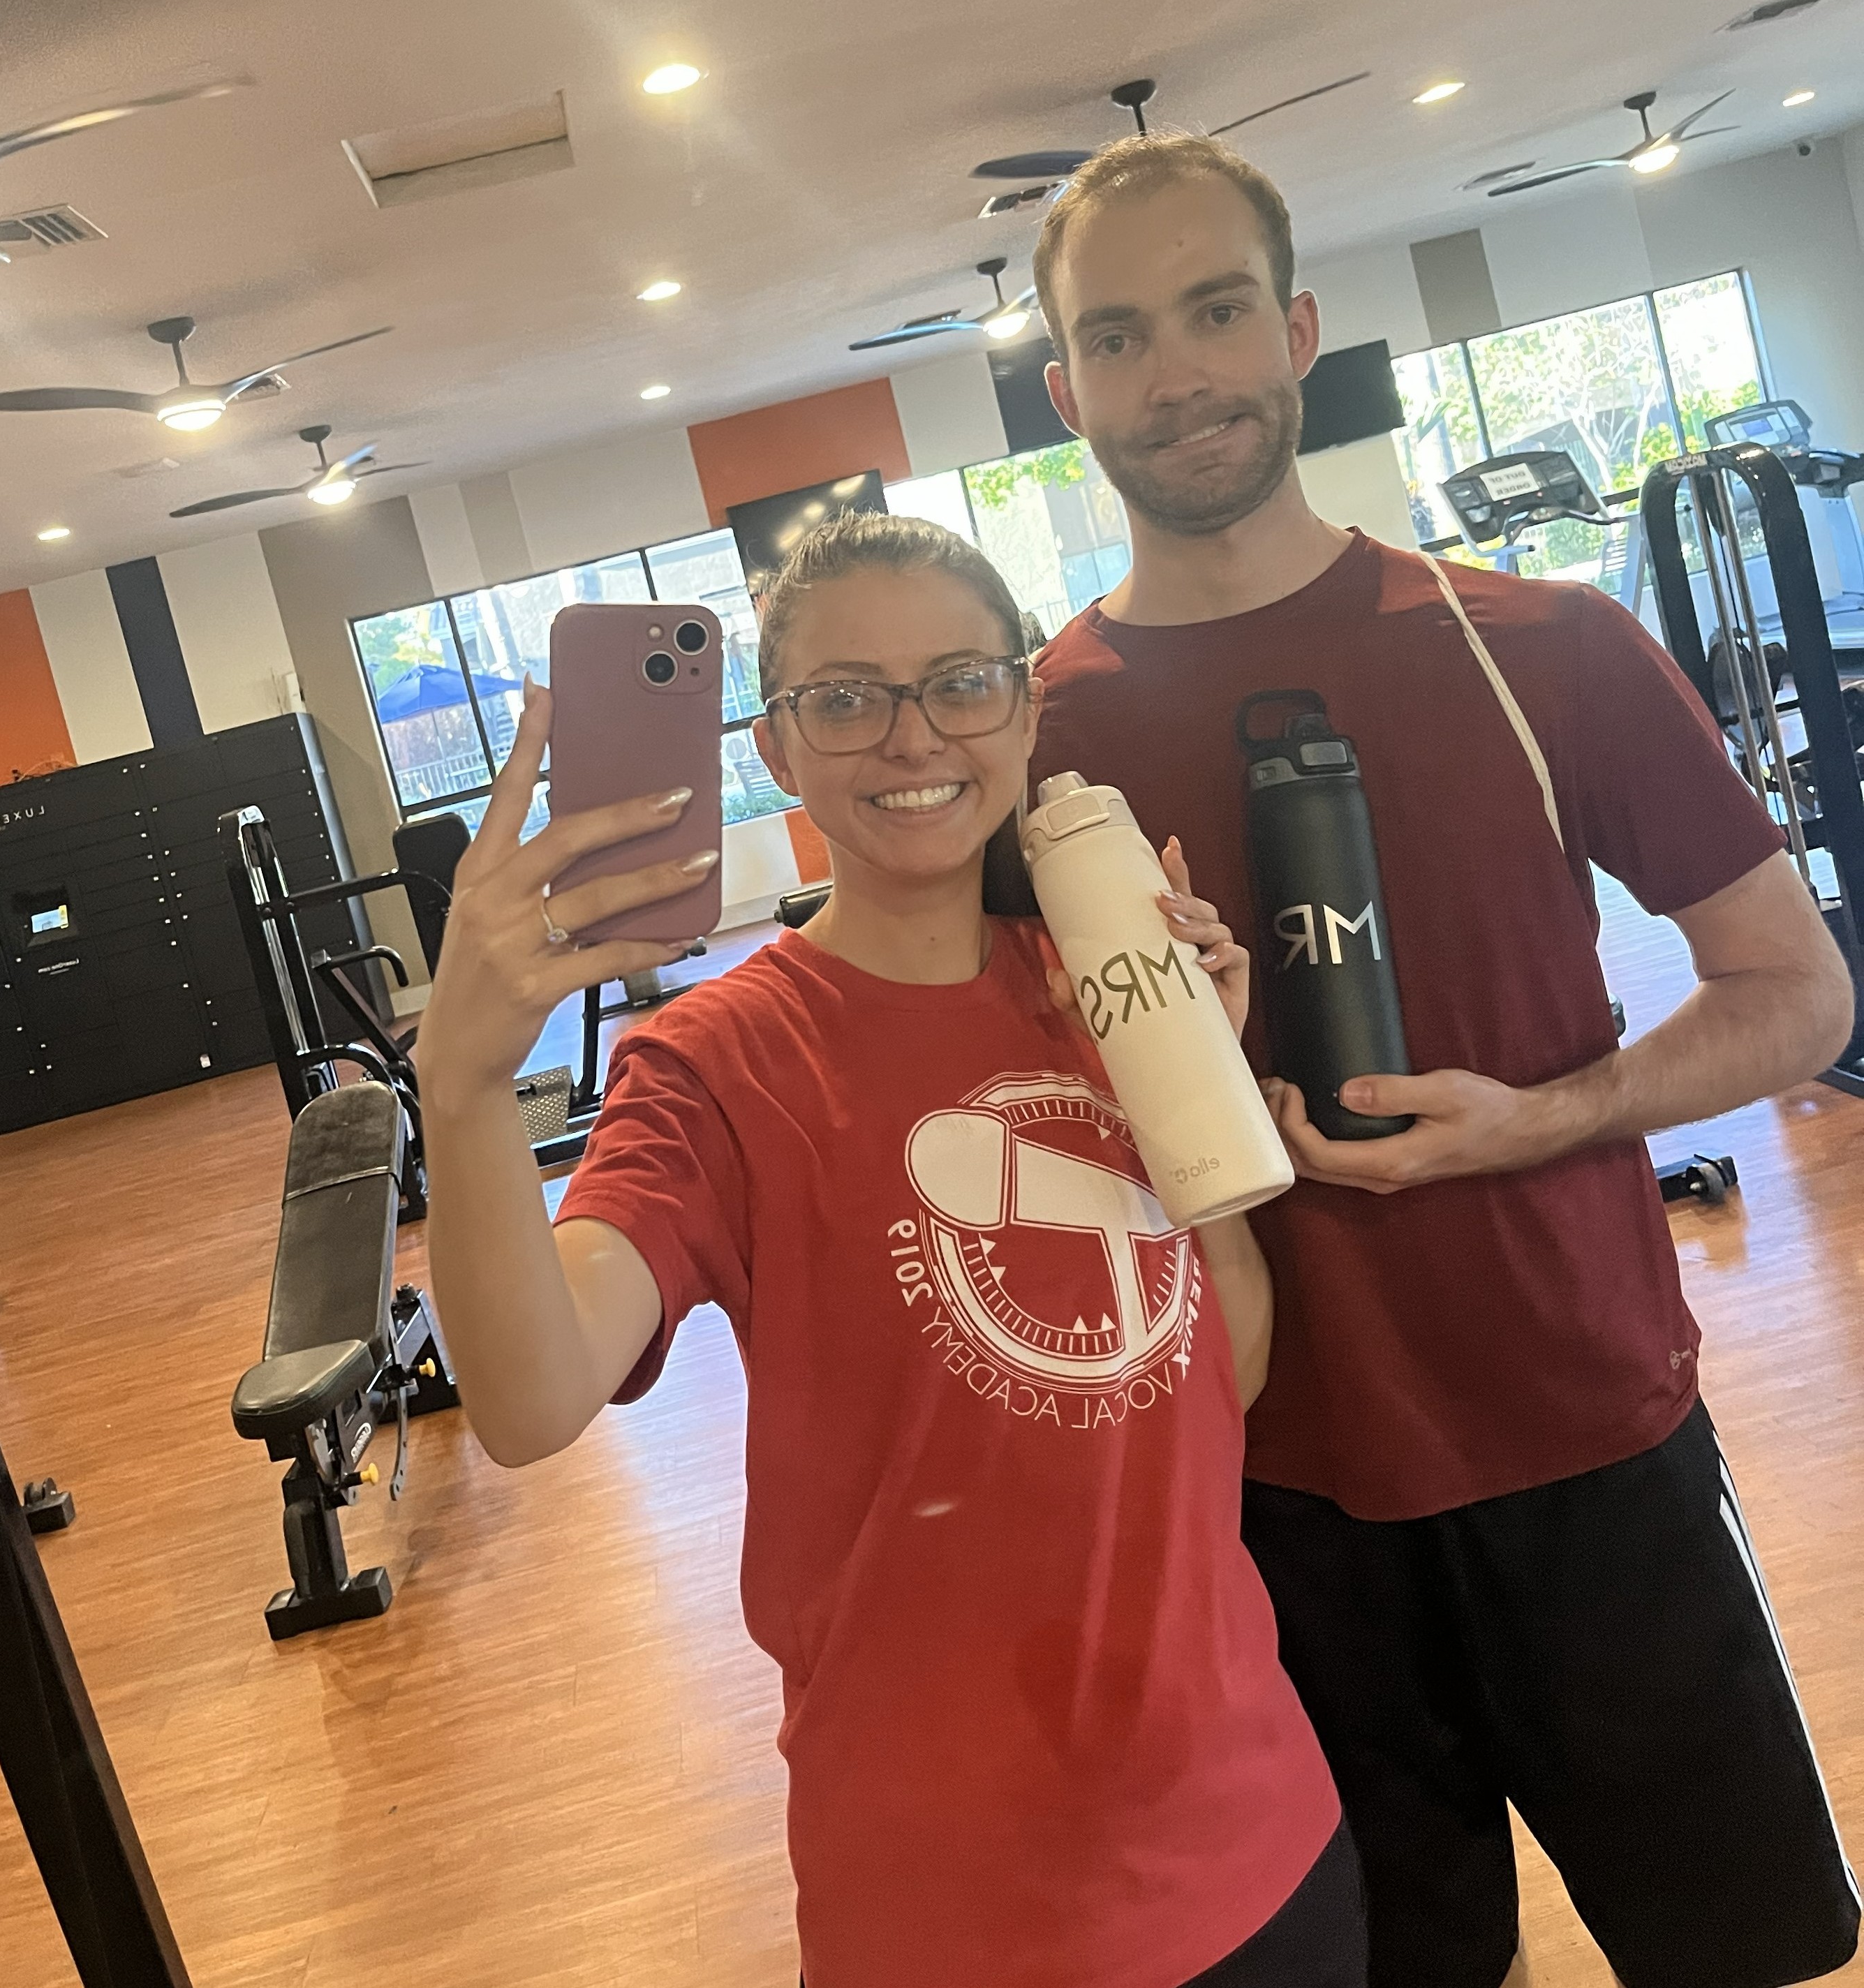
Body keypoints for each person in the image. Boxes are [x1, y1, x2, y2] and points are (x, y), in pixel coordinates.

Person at [1023, 127, 1862, 1988]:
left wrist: (1544, 1120)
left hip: (1595, 1439)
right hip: (1264, 1504)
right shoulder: (1031, 749)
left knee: (1737, 1953)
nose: (1176, 372)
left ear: (1299, 327)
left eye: (1217, 308)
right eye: (1121, 332)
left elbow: (1797, 995)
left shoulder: (1541, 645)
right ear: (1062, 383)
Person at [413, 512, 1366, 1988]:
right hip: (950, 1901)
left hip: (1254, 1832)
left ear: (1024, 709)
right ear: (775, 749)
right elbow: (532, 1401)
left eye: (961, 681)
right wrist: (462, 1090)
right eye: (843, 698)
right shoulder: (712, 1065)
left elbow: (1221, 1379)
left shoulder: (1110, 982)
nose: (910, 735)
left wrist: (1201, 1089)